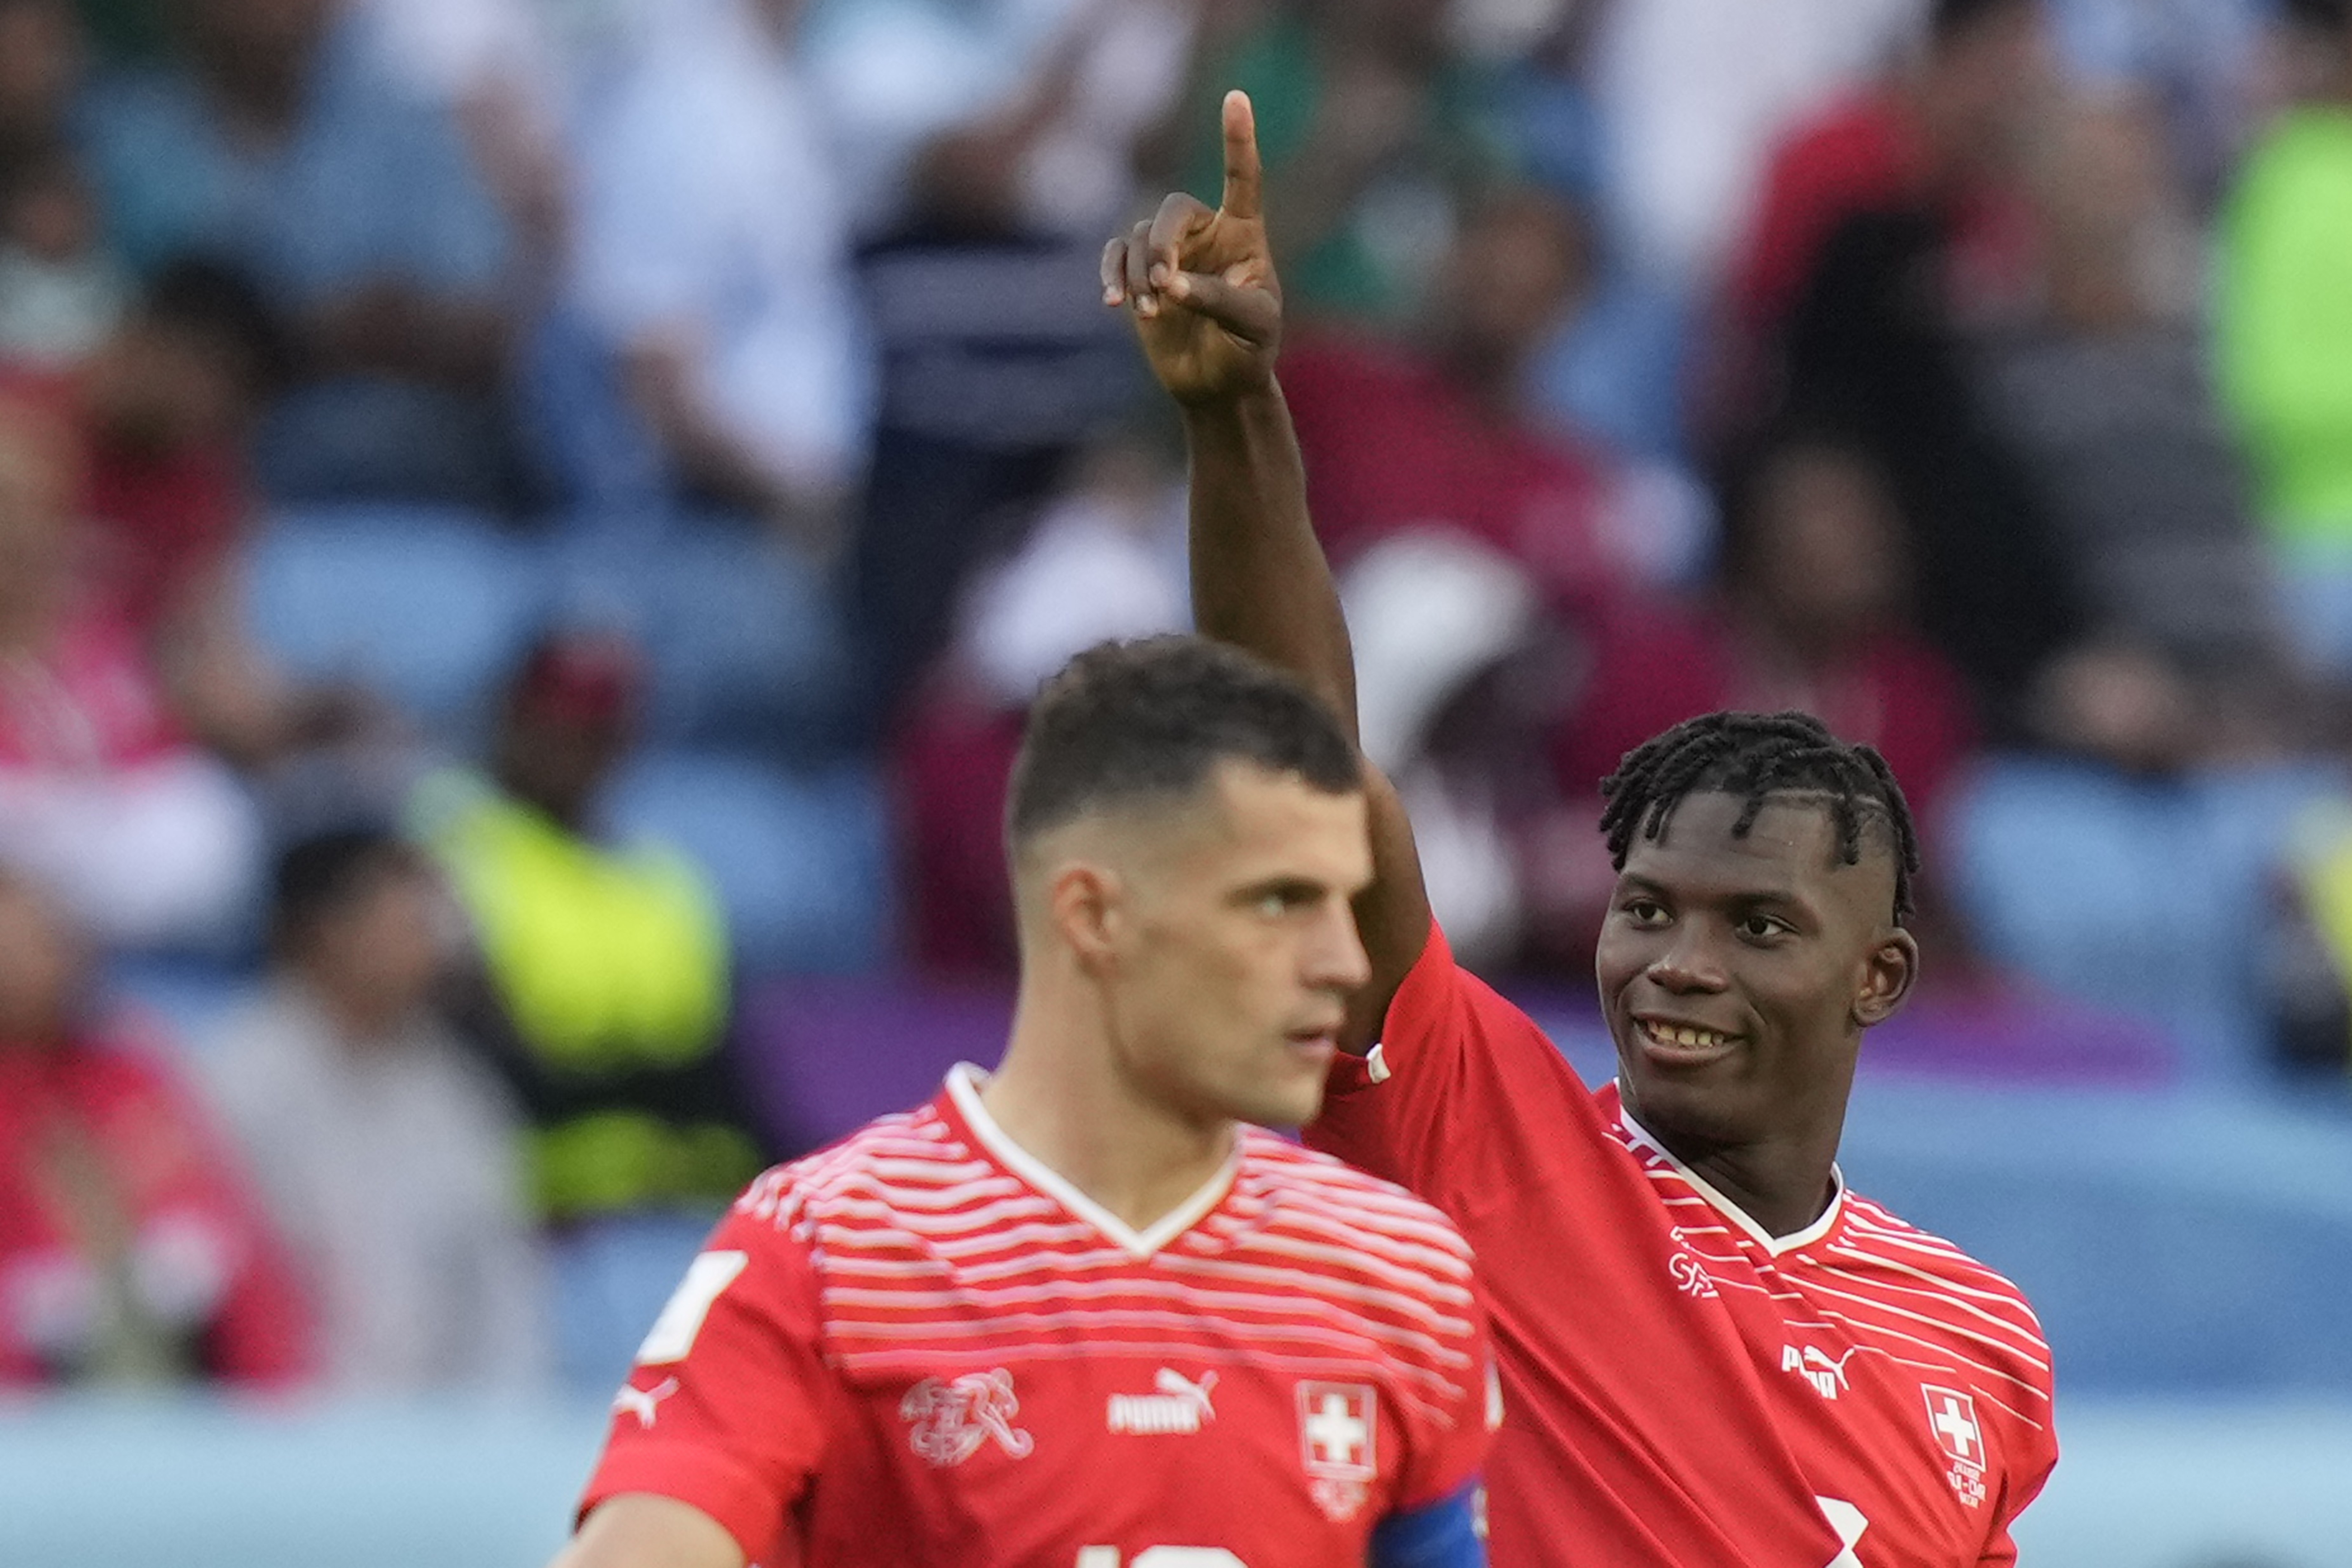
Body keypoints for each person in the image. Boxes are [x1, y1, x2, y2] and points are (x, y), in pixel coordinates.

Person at [1106, 90, 2056, 1564]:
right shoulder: (1494, 1148)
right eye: (1649, 908)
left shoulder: (1979, 1339)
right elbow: (1302, 780)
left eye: (1758, 926)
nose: (1677, 960)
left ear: (1881, 975)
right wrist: (1238, 422)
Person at [550, 636, 1494, 1568]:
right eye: (1280, 901)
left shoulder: (1401, 1273)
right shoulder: (831, 1248)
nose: (1344, 962)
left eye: (1346, 904)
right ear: (1092, 916)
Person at [202, 827, 549, 1392]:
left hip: (450, 1442)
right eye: (404, 920)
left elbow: (505, 1293)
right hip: (278, 1436)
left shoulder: (459, 1089)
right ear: (326, 932)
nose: (429, 941)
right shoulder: (233, 1082)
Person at [0, 869, 310, 1385]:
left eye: (55, 939)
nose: (51, 961)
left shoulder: (131, 1074)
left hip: (184, 1384)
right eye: (22, 946)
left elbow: (226, 1230)